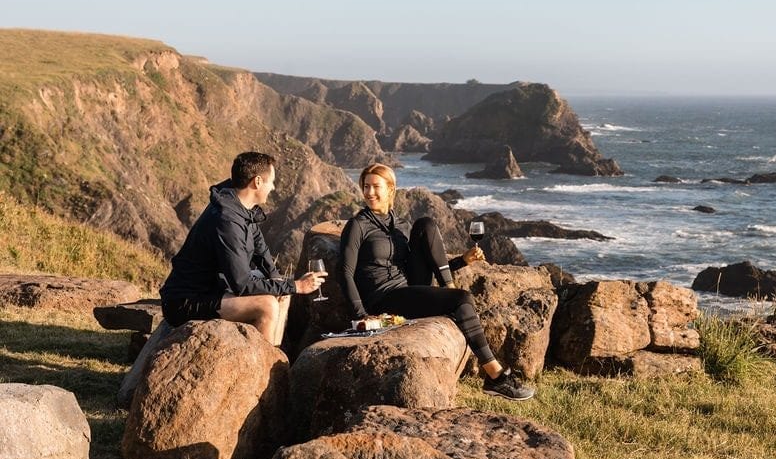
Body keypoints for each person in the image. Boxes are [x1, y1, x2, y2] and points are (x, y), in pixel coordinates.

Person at [338, 163, 535, 401]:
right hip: (383, 299)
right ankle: (495, 376)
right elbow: (344, 272)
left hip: (407, 288)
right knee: (462, 299)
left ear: (390, 189)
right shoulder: (358, 225)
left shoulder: (399, 225)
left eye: (376, 186)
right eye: (366, 186)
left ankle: (448, 290)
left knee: (426, 225)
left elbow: (425, 264)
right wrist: (361, 315)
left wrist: (461, 261)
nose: (370, 192)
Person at [159, 152, 326, 345]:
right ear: (257, 182)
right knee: (267, 305)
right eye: (271, 181)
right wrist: (296, 285)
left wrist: (277, 279)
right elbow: (242, 284)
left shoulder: (240, 207)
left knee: (281, 292)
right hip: (186, 301)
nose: (273, 187)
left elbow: (260, 247)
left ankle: (274, 351)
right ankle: (266, 369)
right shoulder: (227, 220)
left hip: (214, 288)